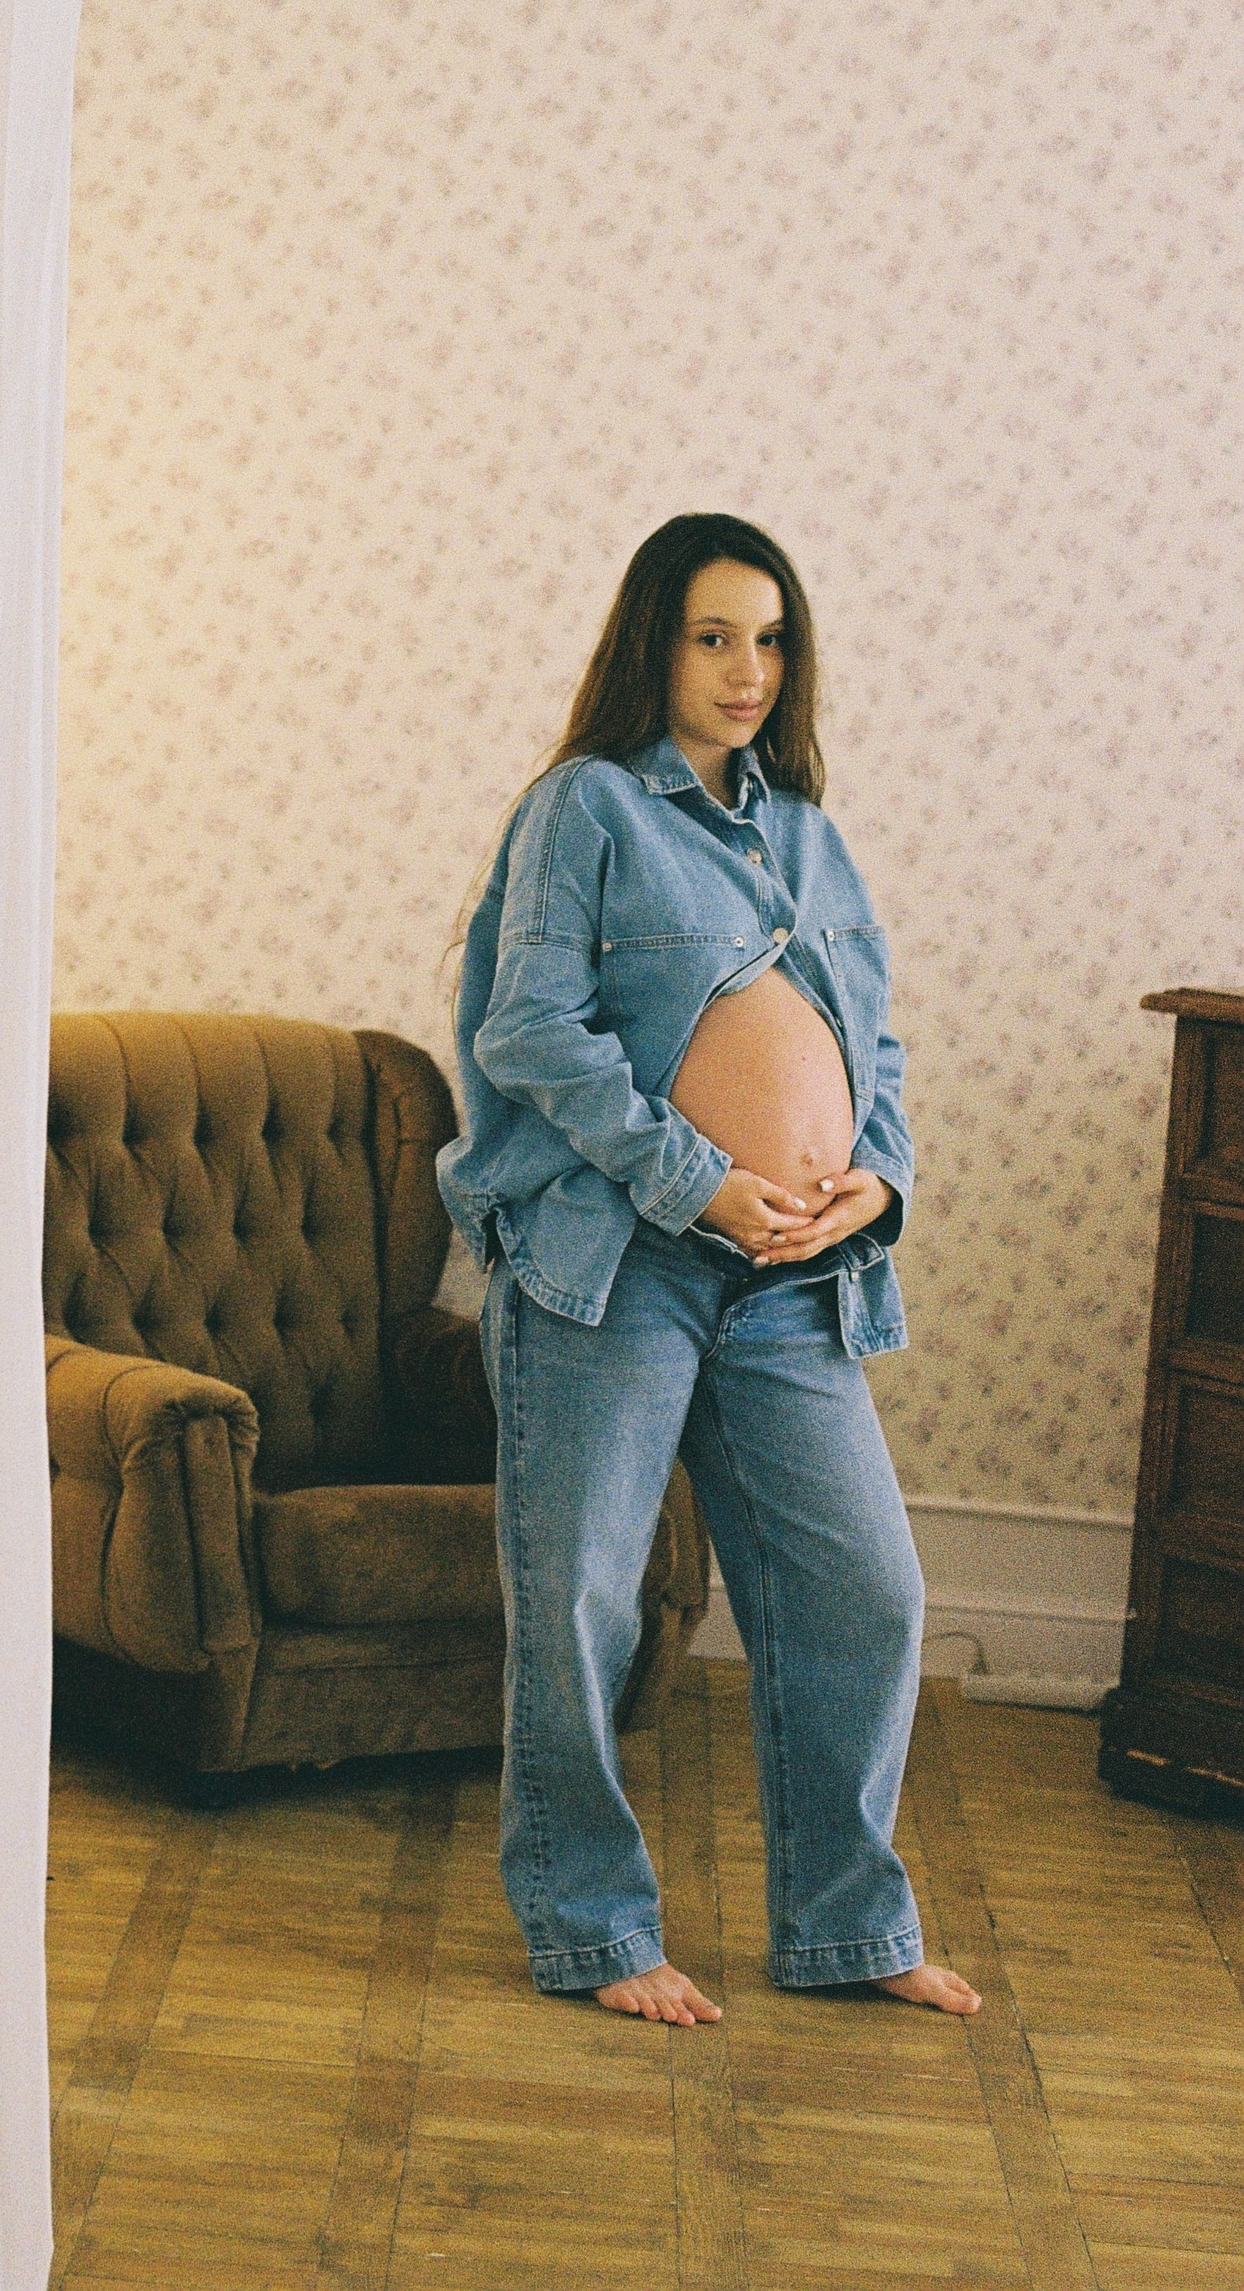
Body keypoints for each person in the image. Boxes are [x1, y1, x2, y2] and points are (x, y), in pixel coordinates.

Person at [438, 513, 980, 2023]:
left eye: (772, 639)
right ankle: (593, 1929)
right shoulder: (588, 808)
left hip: (791, 1279)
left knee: (866, 1591)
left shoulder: (808, 832)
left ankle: (848, 1926)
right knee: (581, 1603)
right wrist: (701, 1182)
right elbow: (531, 1028)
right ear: (654, 646)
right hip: (617, 1263)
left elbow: (873, 1042)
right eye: (714, 636)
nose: (749, 670)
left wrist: (877, 1180)